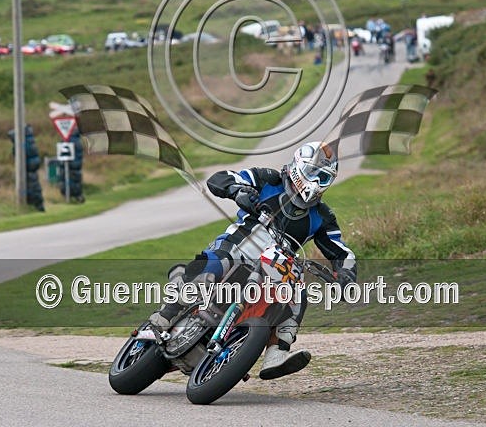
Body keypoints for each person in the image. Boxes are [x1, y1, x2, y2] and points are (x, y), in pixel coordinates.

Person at [149, 142, 357, 379]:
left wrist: (346, 274)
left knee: (298, 295)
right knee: (219, 263)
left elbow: (341, 251)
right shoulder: (268, 179)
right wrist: (237, 190)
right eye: (312, 173)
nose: (316, 181)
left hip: (276, 265)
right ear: (299, 165)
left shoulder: (322, 215)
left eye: (323, 178)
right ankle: (166, 313)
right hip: (239, 246)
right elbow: (220, 178)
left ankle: (277, 353)